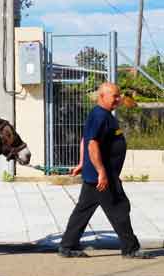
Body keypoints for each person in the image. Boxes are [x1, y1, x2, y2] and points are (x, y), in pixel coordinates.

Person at [58, 82, 152, 259]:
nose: (118, 99)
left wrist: (82, 163)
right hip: (103, 176)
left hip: (98, 174)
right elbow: (92, 144)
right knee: (119, 209)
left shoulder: (103, 115)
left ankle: (67, 246)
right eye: (114, 96)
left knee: (83, 210)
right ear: (102, 96)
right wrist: (101, 171)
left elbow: (85, 139)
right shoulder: (100, 116)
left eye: (118, 96)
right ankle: (130, 249)